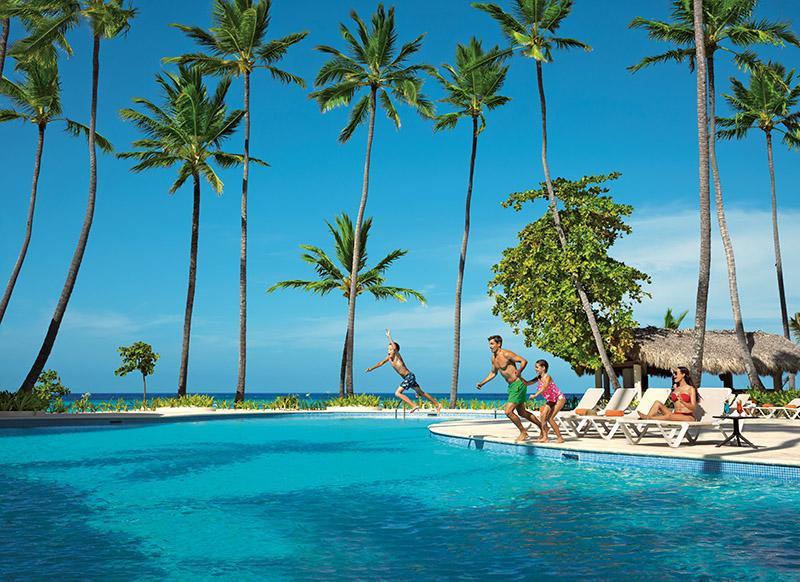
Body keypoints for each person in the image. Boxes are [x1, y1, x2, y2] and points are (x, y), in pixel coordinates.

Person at [476, 335, 542, 442]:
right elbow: (493, 373)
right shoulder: (493, 358)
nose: (490, 346)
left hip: (518, 384)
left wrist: (519, 371)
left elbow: (523, 361)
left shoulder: (506, 354)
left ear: (499, 344)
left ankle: (523, 432)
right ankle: (543, 427)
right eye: (489, 344)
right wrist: (482, 383)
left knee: (508, 411)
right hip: (511, 386)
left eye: (492, 344)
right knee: (522, 412)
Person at [366, 329, 441, 414]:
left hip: (409, 377)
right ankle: (437, 404)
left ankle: (414, 405)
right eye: (388, 349)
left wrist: (389, 336)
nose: (389, 351)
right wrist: (371, 368)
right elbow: (381, 363)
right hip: (408, 377)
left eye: (390, 349)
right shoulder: (389, 358)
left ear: (395, 351)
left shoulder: (397, 356)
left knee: (398, 393)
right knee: (421, 392)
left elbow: (394, 347)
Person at [525, 359, 566, 443]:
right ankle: (545, 437)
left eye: (537, 367)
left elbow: (544, 387)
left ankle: (560, 438)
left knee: (550, 418)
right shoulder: (538, 377)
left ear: (543, 368)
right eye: (535, 367)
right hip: (551, 400)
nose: (535, 369)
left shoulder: (547, 377)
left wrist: (535, 395)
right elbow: (527, 383)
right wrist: (518, 376)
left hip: (559, 398)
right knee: (543, 416)